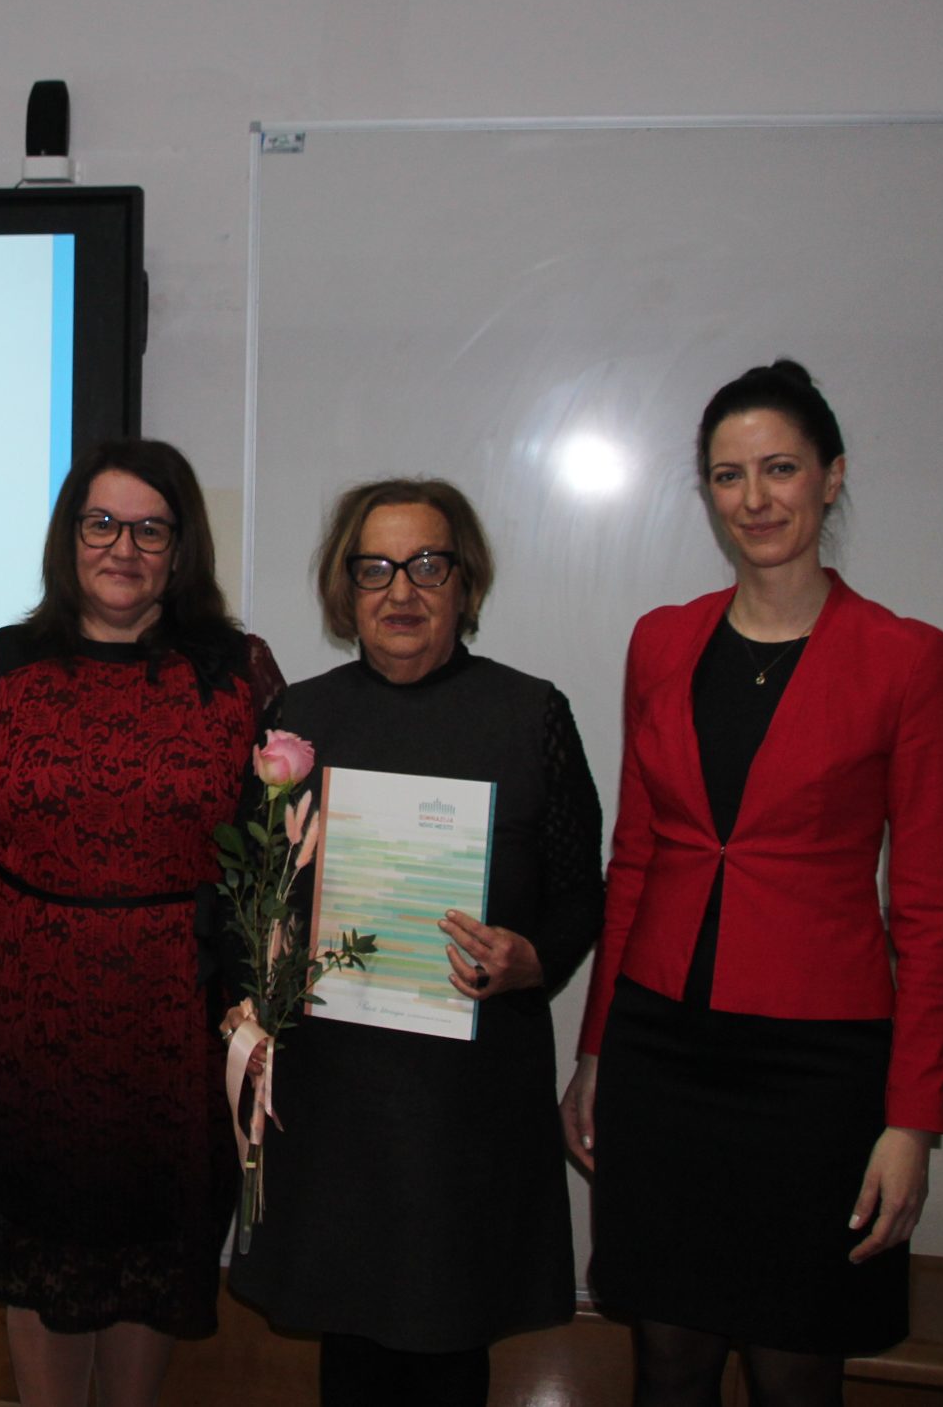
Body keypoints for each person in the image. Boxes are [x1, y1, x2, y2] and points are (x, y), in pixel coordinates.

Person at [563, 360, 943, 1407]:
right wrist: (596, 1052)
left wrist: (912, 1121)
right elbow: (635, 860)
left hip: (815, 1072)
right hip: (661, 1051)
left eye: (780, 468)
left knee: (795, 1368)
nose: (755, 499)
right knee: (668, 1362)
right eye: (728, 475)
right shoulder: (662, 641)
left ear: (832, 476)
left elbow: (926, 914)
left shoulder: (907, 661)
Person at [0, 440, 281, 1407]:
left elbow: (281, 863)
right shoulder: (0, 664)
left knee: (152, 1253)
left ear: (181, 546)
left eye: (151, 529)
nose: (124, 547)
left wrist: (264, 1012)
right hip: (33, 1017)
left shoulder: (237, 671)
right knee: (40, 1253)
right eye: (103, 523)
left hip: (180, 1022)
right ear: (70, 535)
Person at [230, 478, 604, 1407]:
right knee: (348, 1330)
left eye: (427, 565)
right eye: (376, 568)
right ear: (346, 587)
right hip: (335, 1094)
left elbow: (581, 895)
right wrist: (254, 990)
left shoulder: (531, 714)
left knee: (448, 1337)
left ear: (464, 583)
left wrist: (534, 960)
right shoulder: (298, 718)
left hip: (465, 1102)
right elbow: (249, 887)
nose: (401, 590)